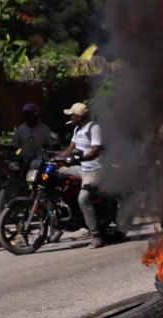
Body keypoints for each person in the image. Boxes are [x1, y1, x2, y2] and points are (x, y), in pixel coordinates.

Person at [60, 102, 105, 249]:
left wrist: (80, 158)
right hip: (80, 168)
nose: (70, 117)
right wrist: (57, 158)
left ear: (79, 116)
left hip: (94, 169)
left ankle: (96, 236)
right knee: (54, 174)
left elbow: (96, 150)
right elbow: (70, 148)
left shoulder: (94, 128)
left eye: (72, 114)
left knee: (83, 199)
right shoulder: (77, 129)